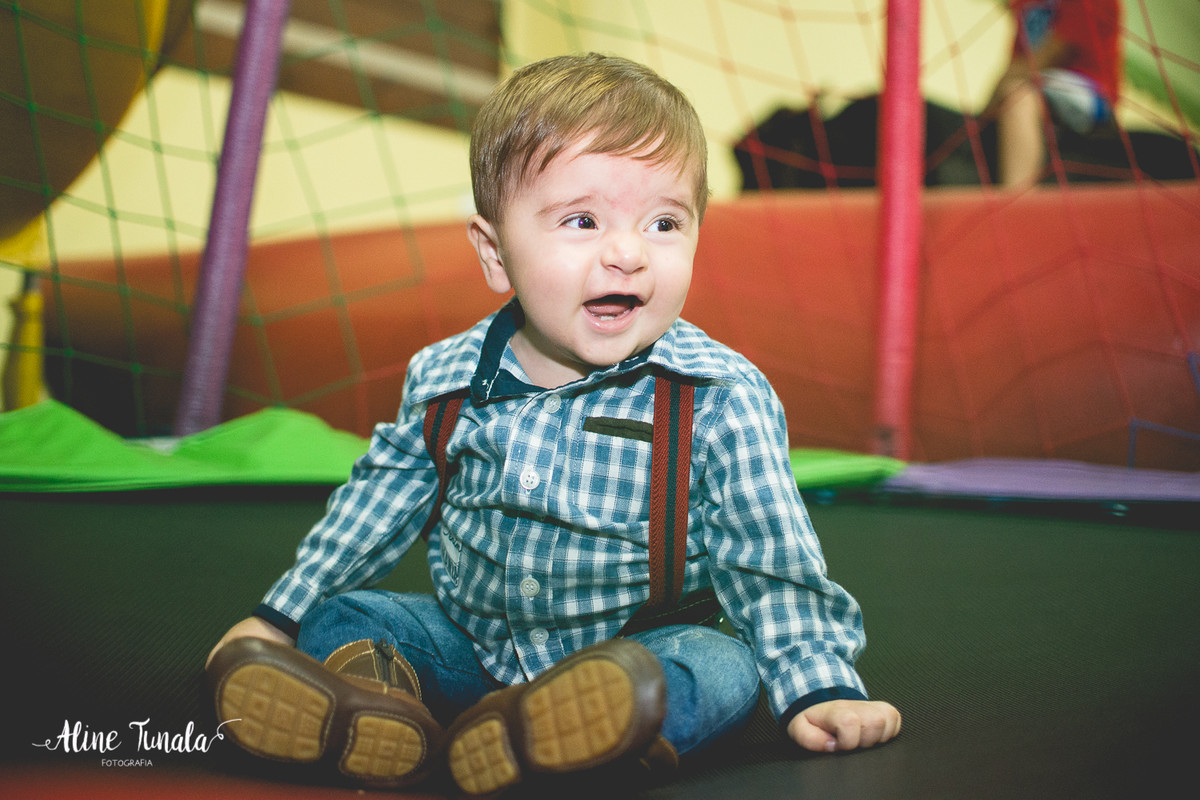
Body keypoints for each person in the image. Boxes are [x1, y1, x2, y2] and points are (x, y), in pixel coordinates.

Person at [205, 52, 901, 796]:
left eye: (664, 222)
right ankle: (382, 716)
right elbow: (376, 509)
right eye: (582, 220)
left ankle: (585, 733)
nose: (629, 253)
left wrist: (821, 686)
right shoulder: (446, 380)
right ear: (495, 253)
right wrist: (279, 617)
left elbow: (771, 566)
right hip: (473, 651)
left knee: (721, 666)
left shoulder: (717, 397)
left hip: (638, 647)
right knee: (350, 617)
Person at [984, 0, 1122, 187]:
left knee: (1019, 99)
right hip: (1039, 86)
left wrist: (991, 102)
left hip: (1087, 89)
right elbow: (1019, 63)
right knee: (1015, 95)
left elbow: (1050, 54)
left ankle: (1017, 204)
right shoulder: (1027, 4)